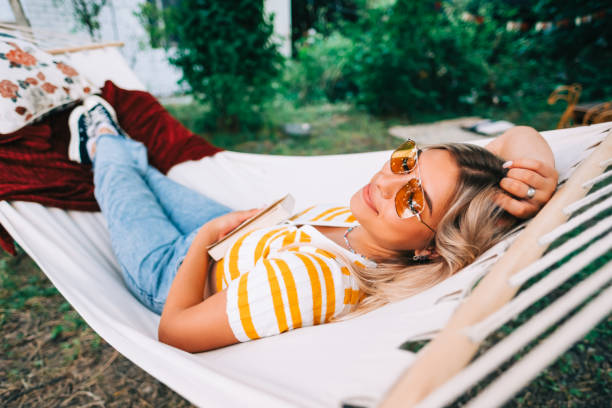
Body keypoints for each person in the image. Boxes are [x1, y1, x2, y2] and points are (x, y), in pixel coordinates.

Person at [67, 96, 558, 353]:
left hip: (174, 271)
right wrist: (539, 164)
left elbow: (174, 332)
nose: (388, 181)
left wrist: (200, 244)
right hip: (230, 228)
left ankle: (100, 129)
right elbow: (512, 139)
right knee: (142, 174)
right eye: (406, 161)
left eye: (413, 197)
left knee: (114, 174)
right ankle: (116, 146)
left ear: (432, 249)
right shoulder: (371, 230)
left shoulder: (309, 282)